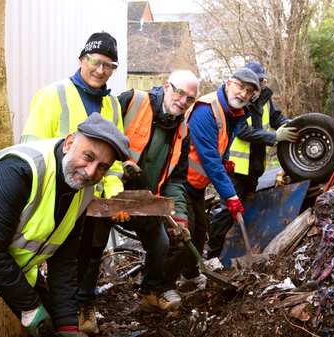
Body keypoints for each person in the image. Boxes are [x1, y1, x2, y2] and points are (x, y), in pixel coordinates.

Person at [0, 114, 130, 337]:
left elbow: (65, 260)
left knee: (52, 324)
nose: (90, 172)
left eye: (102, 167)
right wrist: (29, 306)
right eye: (88, 157)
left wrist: (67, 325)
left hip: (6, 257)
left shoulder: (82, 189)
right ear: (69, 143)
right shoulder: (17, 171)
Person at [17, 32, 125, 335]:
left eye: (109, 66)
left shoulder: (113, 105)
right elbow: (31, 147)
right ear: (82, 60)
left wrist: (114, 199)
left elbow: (113, 162)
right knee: (55, 258)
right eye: (95, 62)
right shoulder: (54, 95)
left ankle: (79, 309)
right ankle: (47, 314)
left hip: (93, 200)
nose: (101, 70)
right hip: (55, 195)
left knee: (88, 257)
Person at [76, 70, 199, 335]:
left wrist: (179, 218)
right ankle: (84, 303)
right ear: (167, 86)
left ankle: (150, 294)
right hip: (107, 194)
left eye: (190, 98)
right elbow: (99, 135)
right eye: (180, 92)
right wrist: (119, 169)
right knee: (93, 249)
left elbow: (176, 180)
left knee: (161, 244)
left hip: (145, 200)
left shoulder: (183, 129)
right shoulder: (132, 101)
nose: (183, 101)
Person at [162, 68, 260, 296]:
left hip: (197, 183)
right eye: (240, 87)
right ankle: (161, 287)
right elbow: (208, 159)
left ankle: (189, 276)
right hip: (180, 182)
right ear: (228, 84)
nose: (243, 94)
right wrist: (231, 196)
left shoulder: (232, 112)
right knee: (183, 234)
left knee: (199, 233)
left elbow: (217, 149)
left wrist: (225, 160)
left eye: (249, 92)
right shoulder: (206, 110)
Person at [206, 61, 298, 259]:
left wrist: (293, 126)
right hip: (236, 170)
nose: (260, 86)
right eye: (257, 81)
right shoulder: (238, 100)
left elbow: (277, 119)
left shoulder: (265, 98)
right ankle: (212, 256)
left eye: (262, 81)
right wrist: (274, 137)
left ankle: (235, 252)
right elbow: (243, 131)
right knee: (226, 213)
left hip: (255, 168)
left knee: (245, 211)